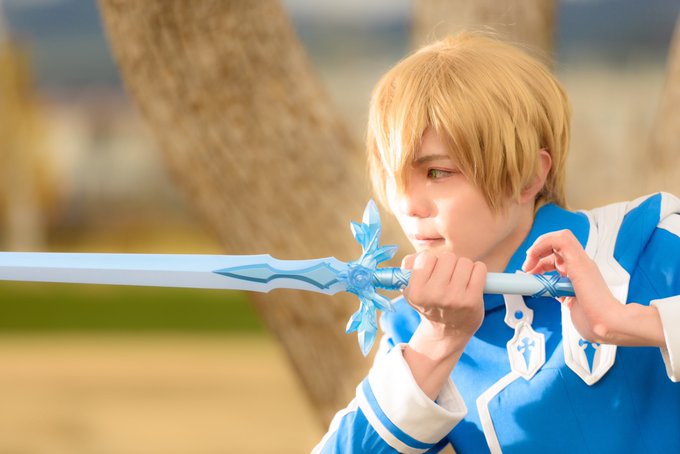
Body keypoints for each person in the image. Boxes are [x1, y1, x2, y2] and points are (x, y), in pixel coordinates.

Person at [313, 31, 680, 453]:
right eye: (396, 177)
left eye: (437, 173)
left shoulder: (646, 245)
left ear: (528, 176)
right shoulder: (418, 327)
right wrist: (440, 342)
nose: (408, 205)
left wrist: (629, 323)